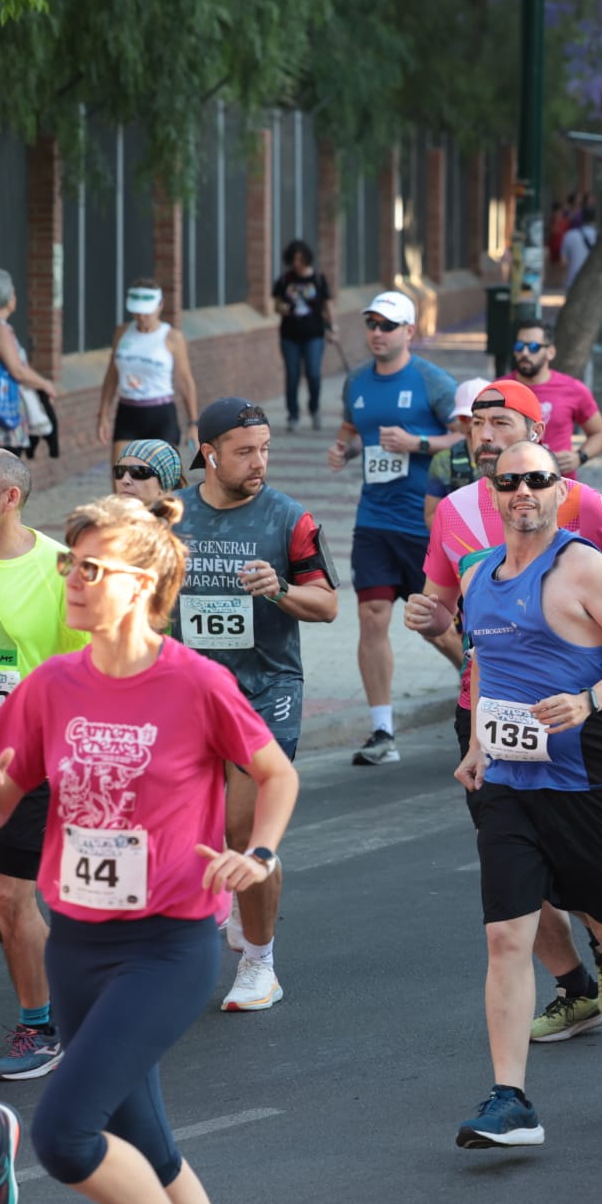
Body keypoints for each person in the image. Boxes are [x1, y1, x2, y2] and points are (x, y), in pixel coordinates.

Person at [0, 494, 298, 1204]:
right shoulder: (49, 685)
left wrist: (261, 851)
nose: (71, 579)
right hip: (79, 942)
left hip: (167, 944)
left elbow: (277, 772)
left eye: (89, 566)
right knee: (144, 1134)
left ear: (140, 584)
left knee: (65, 1135)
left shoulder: (196, 682)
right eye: (66, 563)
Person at [452, 441, 602, 1148]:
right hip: (511, 787)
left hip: (589, 786)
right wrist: (476, 744)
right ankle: (510, 1096)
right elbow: (488, 662)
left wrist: (588, 700)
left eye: (537, 480)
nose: (523, 490)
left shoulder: (582, 565)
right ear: (493, 491)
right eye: (509, 480)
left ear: (559, 490)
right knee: (505, 936)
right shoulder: (478, 576)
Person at [406, 379, 602, 1040]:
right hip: (486, 714)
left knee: (586, 873)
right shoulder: (453, 511)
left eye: (500, 422)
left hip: (573, 715)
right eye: (475, 424)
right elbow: (445, 608)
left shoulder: (576, 500)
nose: (484, 436)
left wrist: (599, 625)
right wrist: (430, 621)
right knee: (512, 877)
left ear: (536, 433)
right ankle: (573, 985)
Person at [170, 399, 337, 1012]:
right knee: (186, 832)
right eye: (245, 451)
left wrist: (282, 589)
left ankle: (261, 966)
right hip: (188, 695)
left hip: (265, 694)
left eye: (265, 448)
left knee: (246, 834)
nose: (259, 462)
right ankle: (228, 920)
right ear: (208, 452)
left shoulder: (289, 517)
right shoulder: (170, 516)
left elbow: (327, 605)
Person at [0, 449, 90, 1083]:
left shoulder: (57, 569)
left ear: (10, 498)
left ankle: (41, 1026)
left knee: (12, 895)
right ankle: (54, 963)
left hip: (30, 768)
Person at [326, 290, 459, 767]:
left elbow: (466, 435)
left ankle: (485, 694)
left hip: (425, 522)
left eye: (387, 325)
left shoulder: (432, 381)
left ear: (408, 331)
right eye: (372, 324)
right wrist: (344, 451)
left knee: (438, 628)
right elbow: (350, 429)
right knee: (372, 616)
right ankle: (382, 730)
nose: (377, 333)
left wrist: (418, 442)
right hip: (374, 521)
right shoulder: (357, 382)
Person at [95, 282, 197, 446]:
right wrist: (103, 415)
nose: (141, 317)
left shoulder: (172, 337)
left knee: (163, 472)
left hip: (160, 413)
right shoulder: (122, 332)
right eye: (137, 312)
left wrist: (193, 424)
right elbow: (112, 376)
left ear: (160, 306)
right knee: (121, 472)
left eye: (147, 312)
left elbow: (185, 381)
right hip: (127, 412)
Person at [0, 268, 57, 453]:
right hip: (0, 421)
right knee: (3, 474)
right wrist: (45, 384)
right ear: (5, 296)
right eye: (12, 290)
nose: (14, 295)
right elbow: (17, 370)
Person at [509, 322, 602, 474]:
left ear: (551, 352)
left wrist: (579, 456)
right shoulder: (500, 389)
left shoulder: (573, 389)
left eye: (533, 347)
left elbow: (599, 434)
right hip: (511, 485)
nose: (525, 353)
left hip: (559, 488)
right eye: (519, 346)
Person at [269, 240, 334, 431]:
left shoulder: (318, 279)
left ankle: (314, 408)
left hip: (315, 334)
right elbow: (276, 305)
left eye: (300, 259)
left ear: (307, 259)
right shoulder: (284, 280)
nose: (297, 263)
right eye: (294, 259)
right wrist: (283, 308)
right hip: (290, 336)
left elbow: (327, 306)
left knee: (313, 373)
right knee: (292, 375)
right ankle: (293, 415)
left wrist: (332, 327)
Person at [424, 378, 494, 528]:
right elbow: (431, 515)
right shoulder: (443, 461)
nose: (471, 425)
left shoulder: (512, 457)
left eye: (477, 418)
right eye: (464, 418)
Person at [110, 439, 183, 504]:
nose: (124, 480)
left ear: (163, 485)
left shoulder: (185, 518)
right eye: (119, 471)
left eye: (138, 472)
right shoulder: (103, 518)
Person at [561, 204, 598, 288]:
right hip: (593, 282)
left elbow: (563, 262)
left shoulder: (569, 235)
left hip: (573, 281)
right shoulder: (598, 236)